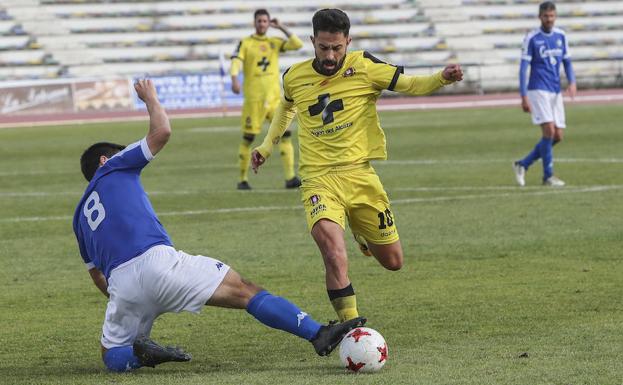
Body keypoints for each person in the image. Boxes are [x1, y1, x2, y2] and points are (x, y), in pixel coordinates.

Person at [72, 79, 365, 373]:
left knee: (111, 353)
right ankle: (318, 334)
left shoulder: (78, 217)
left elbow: (97, 276)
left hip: (121, 284)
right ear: (104, 160)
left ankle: (139, 357)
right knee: (246, 291)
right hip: (157, 263)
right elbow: (162, 132)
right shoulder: (112, 166)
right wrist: (150, 98)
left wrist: (128, 301)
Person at [250, 9, 463, 322]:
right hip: (318, 180)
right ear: (312, 41)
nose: (331, 55)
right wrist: (266, 147)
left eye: (337, 48)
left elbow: (409, 85)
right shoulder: (293, 77)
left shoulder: (365, 66)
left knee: (393, 262)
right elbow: (286, 106)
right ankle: (352, 328)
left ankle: (362, 235)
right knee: (334, 255)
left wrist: (441, 79)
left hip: (360, 176)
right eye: (323, 48)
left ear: (348, 41)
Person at [230, 9, 304, 190]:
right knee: (248, 138)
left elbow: (297, 44)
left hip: (274, 99)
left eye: (265, 21)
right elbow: (236, 61)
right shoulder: (245, 43)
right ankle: (242, 180)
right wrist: (234, 78)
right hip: (254, 100)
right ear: (254, 23)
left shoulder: (274, 42)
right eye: (259, 21)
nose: (262, 24)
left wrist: (281, 27)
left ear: (268, 23)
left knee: (285, 135)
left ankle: (290, 178)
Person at [513, 1, 576, 187]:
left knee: (557, 136)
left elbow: (568, 62)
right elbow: (523, 68)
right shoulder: (532, 38)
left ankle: (523, 164)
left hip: (555, 90)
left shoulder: (561, 36)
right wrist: (523, 95)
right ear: (540, 17)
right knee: (548, 130)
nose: (549, 19)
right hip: (537, 89)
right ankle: (548, 176)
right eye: (546, 16)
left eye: (552, 16)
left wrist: (572, 82)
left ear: (555, 16)